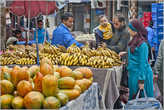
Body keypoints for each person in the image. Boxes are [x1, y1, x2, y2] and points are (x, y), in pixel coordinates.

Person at [127, 19, 154, 99]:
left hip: (141, 76)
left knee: (143, 102)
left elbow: (143, 63)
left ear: (135, 31)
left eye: (130, 29)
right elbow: (135, 54)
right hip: (134, 75)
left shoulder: (143, 45)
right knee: (134, 101)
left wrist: (141, 81)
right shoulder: (134, 41)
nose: (128, 30)